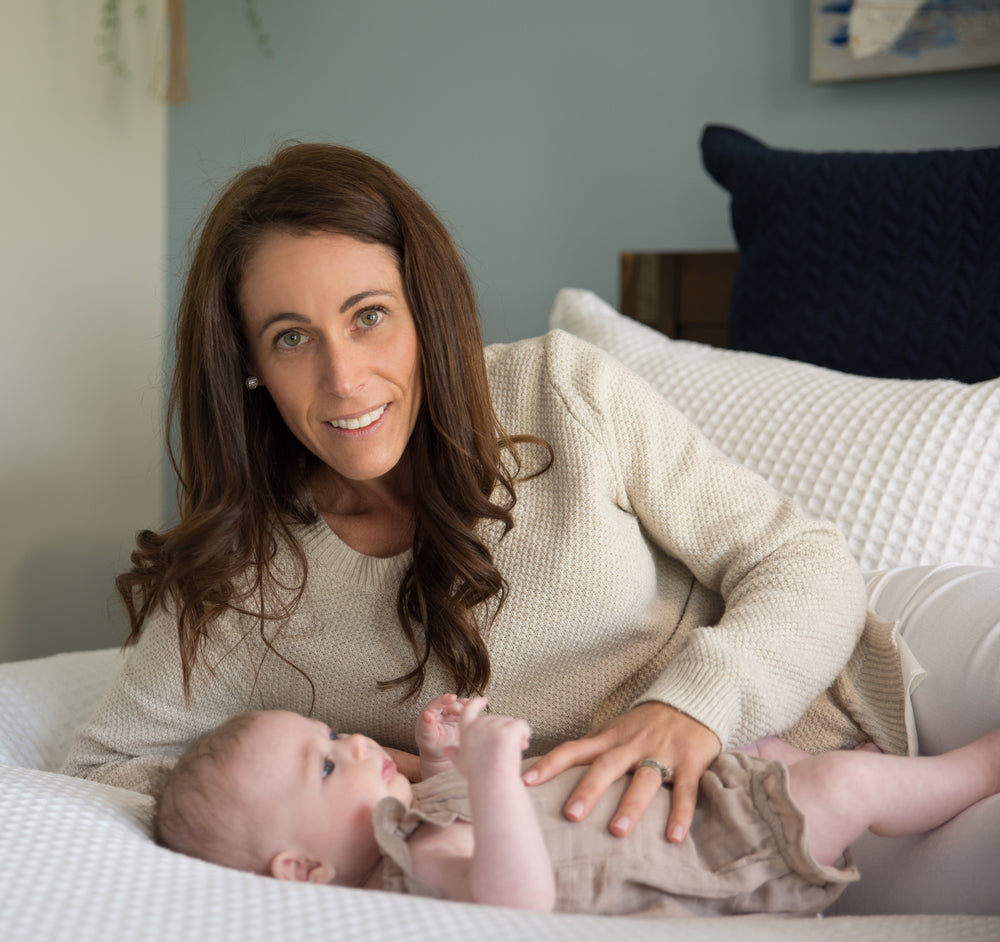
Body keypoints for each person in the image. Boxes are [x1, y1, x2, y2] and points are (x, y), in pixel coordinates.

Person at [64, 140, 920, 853]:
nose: (343, 377)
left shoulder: (556, 389)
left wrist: (694, 705)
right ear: (248, 364)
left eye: (369, 316)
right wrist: (393, 778)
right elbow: (112, 769)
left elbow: (800, 559)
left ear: (425, 310)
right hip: (672, 848)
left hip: (841, 727)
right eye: (292, 338)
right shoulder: (240, 575)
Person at [154, 694, 1000, 918]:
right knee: (843, 790)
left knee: (782, 758)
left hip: (694, 801)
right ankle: (974, 768)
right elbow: (516, 900)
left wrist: (446, 758)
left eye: (335, 734)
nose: (362, 746)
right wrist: (488, 773)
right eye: (332, 765)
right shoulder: (408, 879)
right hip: (722, 858)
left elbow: (469, 816)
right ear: (301, 869)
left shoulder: (409, 820)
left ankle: (814, 770)